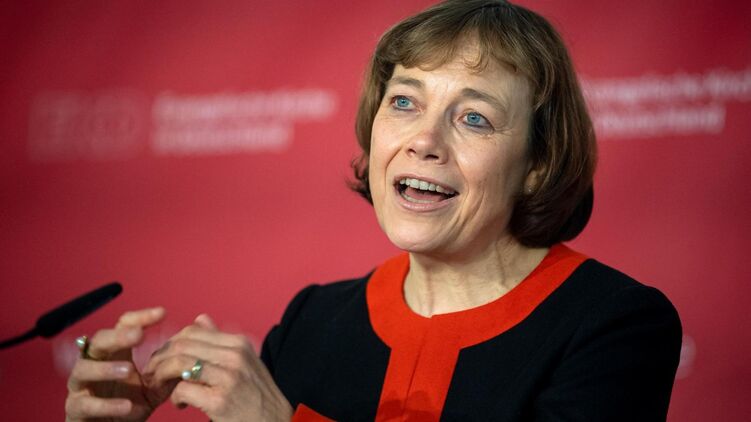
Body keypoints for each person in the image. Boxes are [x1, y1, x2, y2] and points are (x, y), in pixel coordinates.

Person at [64, 0, 682, 421]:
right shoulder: (311, 321)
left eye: (474, 117)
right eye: (405, 102)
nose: (424, 140)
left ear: (538, 165)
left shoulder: (614, 326)